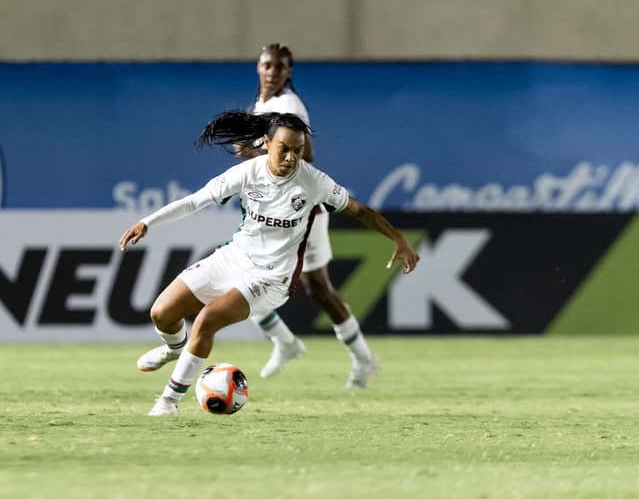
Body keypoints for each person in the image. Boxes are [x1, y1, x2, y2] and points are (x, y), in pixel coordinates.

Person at [120, 110, 419, 416]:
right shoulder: (247, 173)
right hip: (234, 257)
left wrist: (398, 239)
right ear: (266, 142)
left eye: (298, 150)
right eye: (284, 149)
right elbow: (196, 201)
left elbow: (360, 210)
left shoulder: (313, 182)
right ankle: (175, 349)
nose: (291, 158)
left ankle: (168, 402)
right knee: (161, 313)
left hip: (272, 278)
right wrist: (148, 222)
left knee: (206, 321)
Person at [239, 43, 380, 388]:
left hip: (300, 212)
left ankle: (359, 358)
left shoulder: (287, 105)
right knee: (246, 273)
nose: (272, 71)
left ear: (288, 72)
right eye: (267, 65)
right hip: (271, 210)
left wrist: (250, 149)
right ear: (258, 67)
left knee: (318, 289)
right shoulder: (262, 105)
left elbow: (308, 155)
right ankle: (288, 342)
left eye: (279, 67)